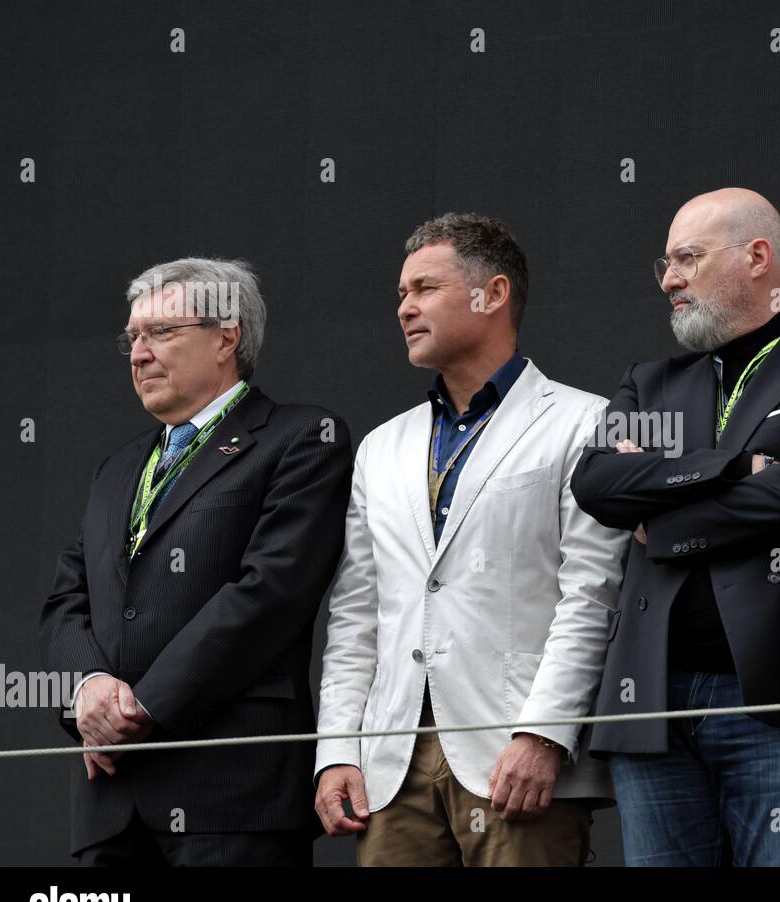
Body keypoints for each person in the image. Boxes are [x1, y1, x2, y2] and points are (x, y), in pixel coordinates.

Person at [572, 187, 780, 866]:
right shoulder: (650, 381)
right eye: (664, 264)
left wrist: (662, 516)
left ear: (757, 257)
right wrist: (740, 467)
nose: (669, 279)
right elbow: (596, 483)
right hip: (651, 702)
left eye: (686, 258)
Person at [314, 213, 628, 866]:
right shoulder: (382, 446)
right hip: (392, 758)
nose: (405, 308)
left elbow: (591, 593)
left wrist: (544, 733)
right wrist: (339, 749)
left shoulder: (584, 422)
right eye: (401, 294)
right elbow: (356, 613)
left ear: (494, 294)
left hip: (515, 752)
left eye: (424, 288)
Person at [41, 257, 352, 865]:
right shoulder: (116, 469)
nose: (138, 354)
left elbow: (270, 593)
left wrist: (142, 708)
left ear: (226, 338)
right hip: (111, 800)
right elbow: (65, 600)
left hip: (231, 795)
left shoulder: (301, 437)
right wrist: (89, 690)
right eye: (132, 337)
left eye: (161, 332)